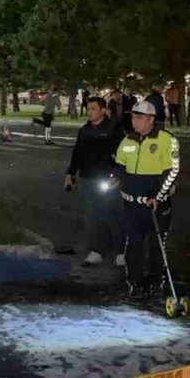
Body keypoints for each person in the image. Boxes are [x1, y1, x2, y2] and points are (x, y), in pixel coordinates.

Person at [114, 100, 180, 294]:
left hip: (156, 204)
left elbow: (172, 171)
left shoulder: (167, 140)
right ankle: (135, 282)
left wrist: (158, 196)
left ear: (151, 119)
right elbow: (120, 165)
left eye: (140, 117)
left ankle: (156, 281)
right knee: (132, 245)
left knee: (156, 245)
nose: (135, 121)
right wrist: (114, 178)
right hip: (131, 204)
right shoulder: (128, 140)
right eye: (134, 117)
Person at [65, 96, 124, 266]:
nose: (89, 112)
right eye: (88, 108)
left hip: (107, 179)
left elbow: (123, 155)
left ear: (103, 110)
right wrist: (70, 174)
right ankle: (96, 250)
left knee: (113, 215)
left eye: (93, 109)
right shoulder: (84, 130)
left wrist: (117, 175)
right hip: (86, 178)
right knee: (91, 217)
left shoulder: (114, 129)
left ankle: (121, 252)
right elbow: (77, 153)